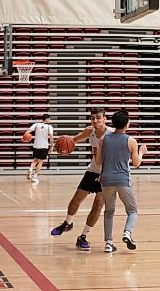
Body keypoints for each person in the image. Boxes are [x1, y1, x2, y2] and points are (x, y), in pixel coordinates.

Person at [50, 108, 114, 251]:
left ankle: (83, 237)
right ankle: (68, 223)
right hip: (92, 170)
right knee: (76, 198)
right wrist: (62, 145)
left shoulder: (112, 134)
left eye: (98, 118)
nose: (95, 121)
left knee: (98, 204)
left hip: (107, 174)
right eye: (93, 118)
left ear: (105, 119)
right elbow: (73, 140)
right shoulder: (89, 131)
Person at [96, 109, 147, 253]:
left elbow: (98, 161)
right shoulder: (131, 141)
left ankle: (108, 243)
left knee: (108, 211)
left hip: (106, 180)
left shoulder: (103, 139)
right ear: (127, 124)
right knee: (132, 211)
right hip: (123, 180)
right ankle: (127, 233)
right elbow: (136, 164)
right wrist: (142, 152)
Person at [25, 114, 54, 183]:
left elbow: (28, 131)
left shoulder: (36, 124)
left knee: (35, 160)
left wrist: (24, 137)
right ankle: (35, 177)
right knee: (40, 162)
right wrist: (52, 146)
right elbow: (51, 137)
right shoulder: (49, 127)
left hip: (36, 145)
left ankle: (30, 169)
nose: (50, 120)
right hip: (44, 146)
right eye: (49, 119)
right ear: (46, 119)